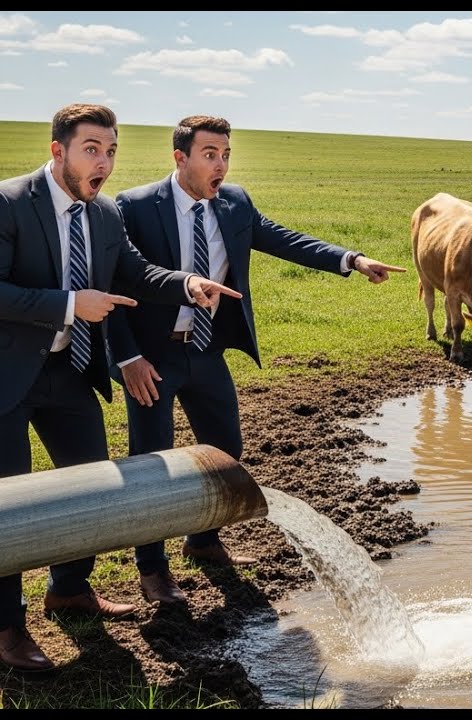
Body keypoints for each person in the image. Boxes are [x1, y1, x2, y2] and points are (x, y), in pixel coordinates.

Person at [108, 115, 405, 607]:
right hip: (153, 358)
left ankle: (204, 542)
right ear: (180, 158)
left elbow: (282, 239)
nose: (220, 164)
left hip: (205, 351)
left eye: (225, 154)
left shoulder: (235, 202)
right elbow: (116, 284)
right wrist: (130, 357)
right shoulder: (135, 206)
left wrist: (351, 260)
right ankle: (153, 571)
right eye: (209, 155)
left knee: (226, 448)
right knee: (152, 466)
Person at [0, 103, 241, 673]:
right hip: (7, 377)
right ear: (58, 150)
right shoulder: (9, 203)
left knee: (91, 488)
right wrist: (67, 305)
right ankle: (8, 626)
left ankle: (68, 589)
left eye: (110, 150)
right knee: (8, 504)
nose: (103, 162)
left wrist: (186, 282)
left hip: (69, 373)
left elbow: (133, 273)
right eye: (92, 149)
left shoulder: (104, 213)